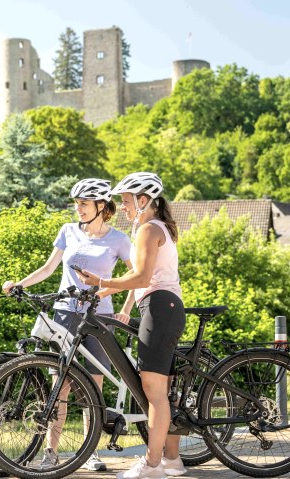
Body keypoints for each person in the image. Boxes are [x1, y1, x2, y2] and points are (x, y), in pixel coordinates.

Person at [2, 178, 132, 472]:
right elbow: (48, 268)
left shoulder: (119, 240)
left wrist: (124, 309)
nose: (78, 208)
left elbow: (135, 277)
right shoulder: (68, 231)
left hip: (100, 317)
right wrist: (18, 284)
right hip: (65, 313)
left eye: (84, 204)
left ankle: (90, 452)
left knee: (93, 389)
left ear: (101, 206)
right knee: (59, 386)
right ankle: (51, 452)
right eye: (76, 203)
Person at [76, 172, 186, 479]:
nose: (122, 207)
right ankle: (173, 460)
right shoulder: (152, 227)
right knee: (158, 389)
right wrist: (101, 291)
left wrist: (100, 280)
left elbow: (140, 279)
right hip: (161, 306)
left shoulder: (149, 229)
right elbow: (135, 279)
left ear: (143, 200)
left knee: (153, 391)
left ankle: (152, 465)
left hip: (160, 307)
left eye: (126, 201)